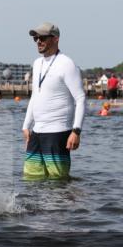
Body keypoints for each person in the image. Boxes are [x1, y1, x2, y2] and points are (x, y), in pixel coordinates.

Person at [21, 22, 86, 181]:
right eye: (36, 38)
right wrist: (26, 125)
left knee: (58, 183)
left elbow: (81, 98)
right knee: (31, 179)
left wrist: (76, 131)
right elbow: (35, 95)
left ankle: (61, 207)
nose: (38, 41)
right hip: (37, 133)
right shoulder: (37, 64)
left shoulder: (67, 64)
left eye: (42, 37)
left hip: (58, 133)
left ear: (55, 39)